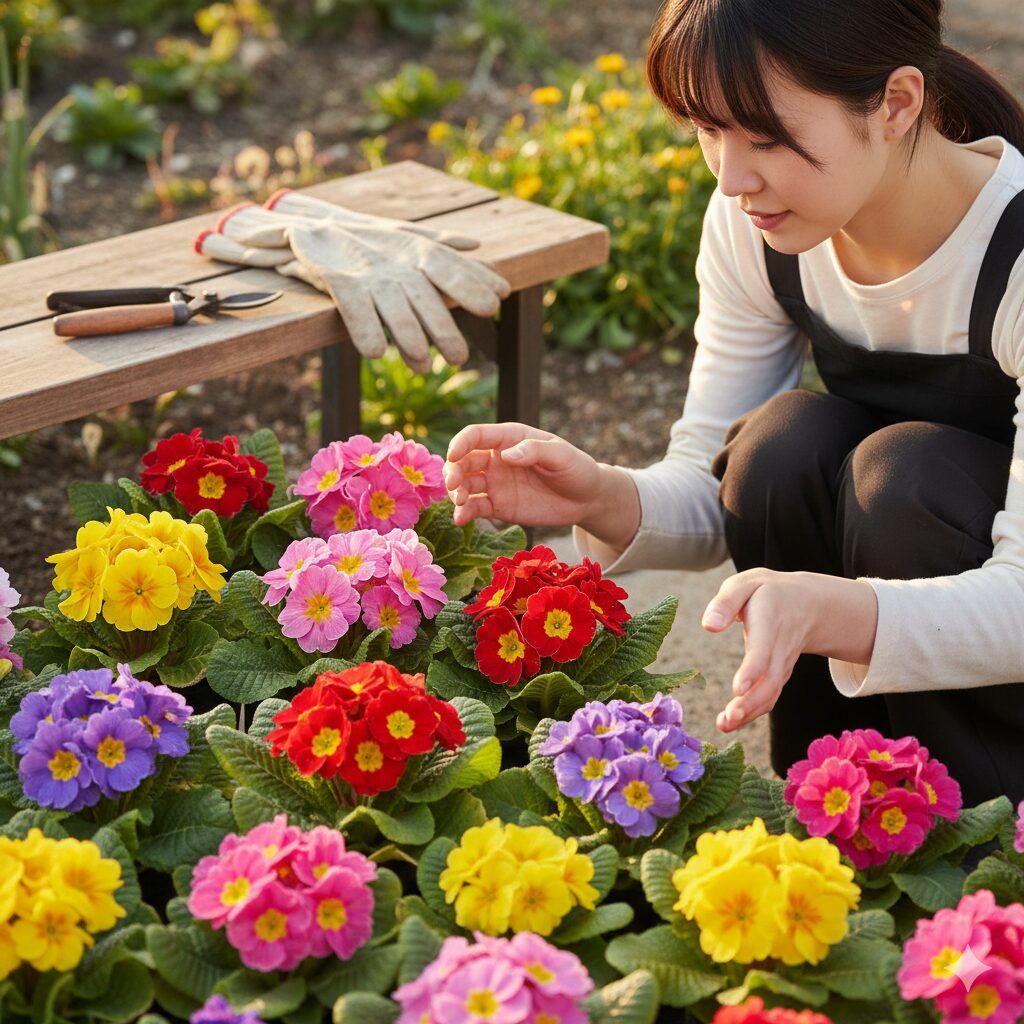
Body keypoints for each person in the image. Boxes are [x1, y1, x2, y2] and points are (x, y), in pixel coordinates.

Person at [442, 0, 1024, 807]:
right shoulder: (758, 223)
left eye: (765, 137)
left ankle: (983, 832)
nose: (729, 175)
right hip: (916, 565)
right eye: (707, 129)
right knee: (780, 446)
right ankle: (828, 795)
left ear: (896, 103)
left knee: (901, 477)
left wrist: (841, 611)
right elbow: (718, 482)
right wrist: (606, 494)